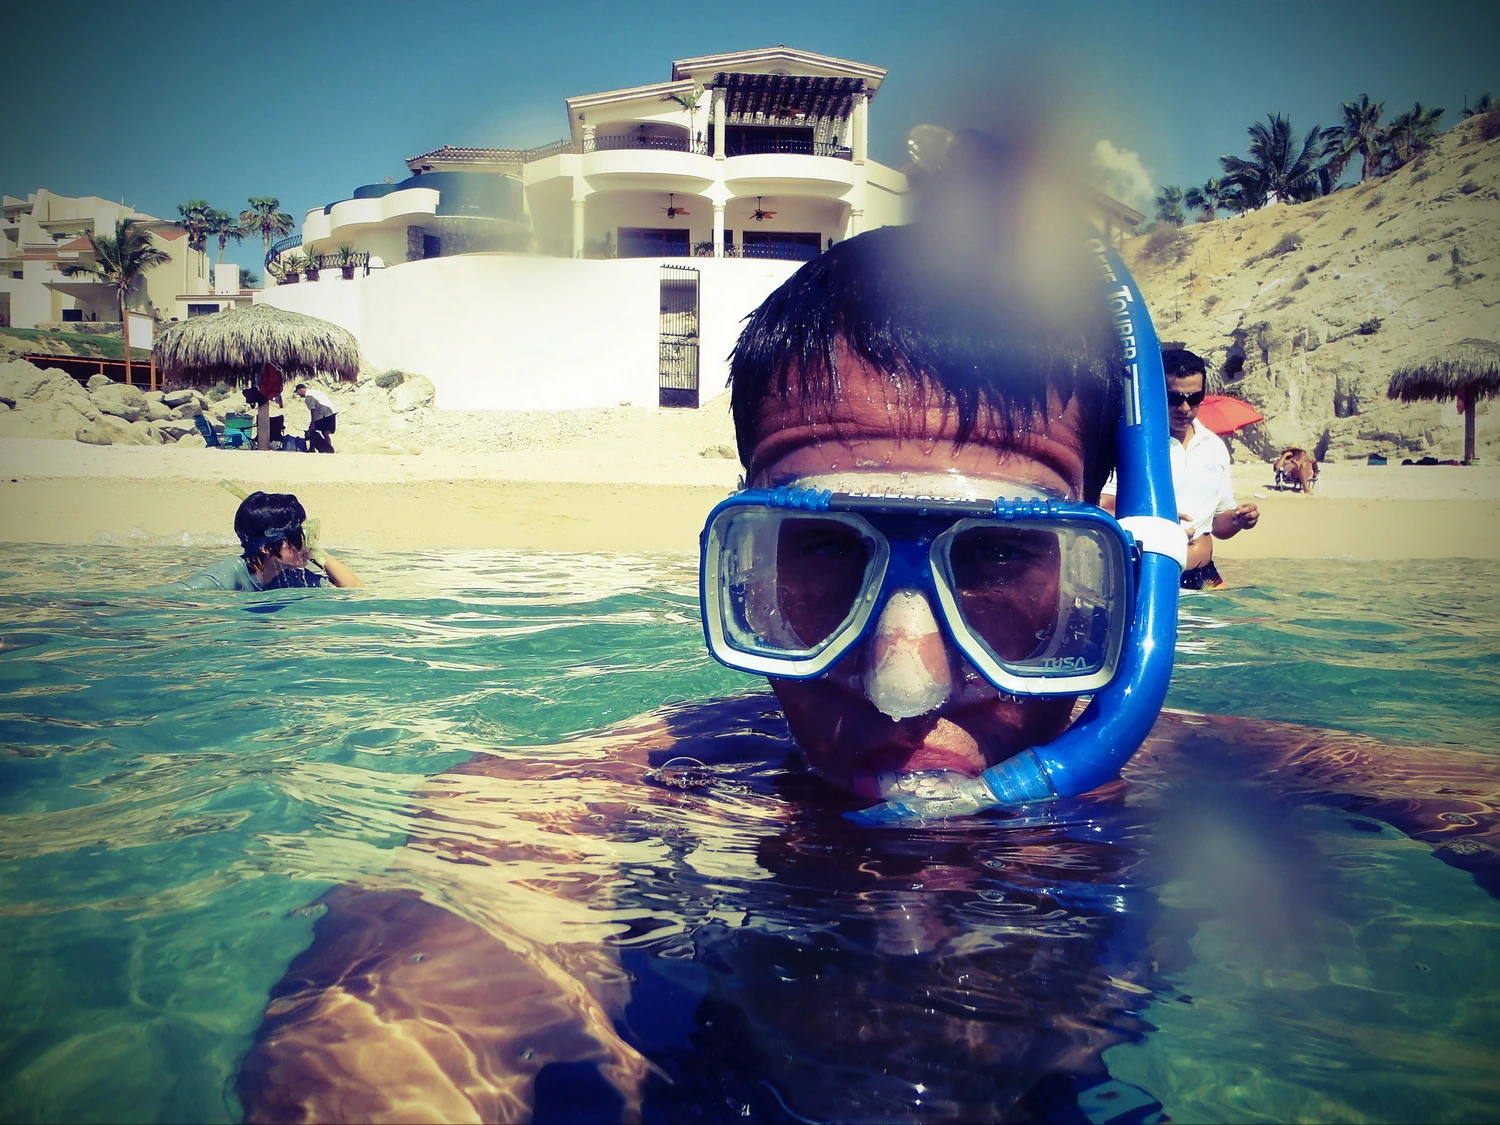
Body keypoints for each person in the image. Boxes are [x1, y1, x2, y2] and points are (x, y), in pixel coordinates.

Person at [234, 145, 1500, 1123]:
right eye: (822, 556)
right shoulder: (582, 804)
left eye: (998, 558)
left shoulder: (1227, 774)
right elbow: (402, 1016)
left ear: (1123, 578)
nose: (903, 685)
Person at [1101, 348, 1258, 589]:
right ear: (1155, 392)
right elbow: (1105, 508)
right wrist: (1159, 522)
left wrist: (1239, 519)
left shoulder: (1213, 445)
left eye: (1194, 398)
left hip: (1205, 574)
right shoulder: (1137, 444)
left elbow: (1219, 525)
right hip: (1153, 573)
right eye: (1174, 398)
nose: (1185, 408)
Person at [150, 490, 362, 592]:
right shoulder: (226, 577)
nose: (307, 541)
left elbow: (353, 591)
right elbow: (156, 598)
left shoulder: (288, 576)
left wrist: (314, 551)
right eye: (299, 534)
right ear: (266, 547)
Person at [296, 381, 338, 453]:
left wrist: (312, 423)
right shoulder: (315, 391)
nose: (299, 395)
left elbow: (312, 410)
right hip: (331, 411)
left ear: (301, 390)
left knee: (312, 431)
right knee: (326, 432)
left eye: (298, 393)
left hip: (323, 413)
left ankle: (312, 449)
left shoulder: (308, 396)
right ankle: (329, 449)